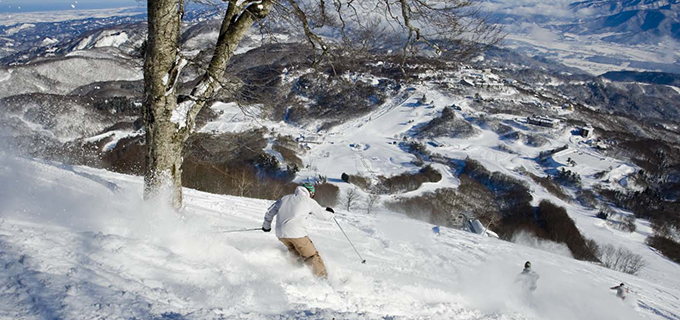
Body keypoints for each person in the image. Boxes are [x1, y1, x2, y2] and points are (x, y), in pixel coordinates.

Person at [262, 183, 335, 278]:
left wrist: (266, 226)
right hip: (297, 234)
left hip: (281, 234)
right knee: (311, 256)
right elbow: (323, 215)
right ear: (310, 192)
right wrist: (330, 213)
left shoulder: (284, 199)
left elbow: (269, 212)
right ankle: (323, 279)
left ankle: (297, 274)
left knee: (295, 254)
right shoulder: (308, 201)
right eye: (313, 194)